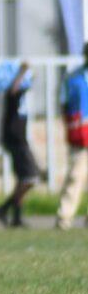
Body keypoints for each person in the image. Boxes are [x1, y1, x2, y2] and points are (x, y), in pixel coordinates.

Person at [0, 62, 38, 228]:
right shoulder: (13, 92)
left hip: (19, 139)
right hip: (15, 139)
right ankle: (3, 208)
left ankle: (16, 218)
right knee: (30, 177)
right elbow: (13, 89)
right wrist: (22, 72)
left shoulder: (23, 94)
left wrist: (30, 75)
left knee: (23, 179)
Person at [55, 45, 88, 230]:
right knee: (76, 175)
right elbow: (64, 104)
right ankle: (64, 218)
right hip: (81, 133)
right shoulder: (74, 79)